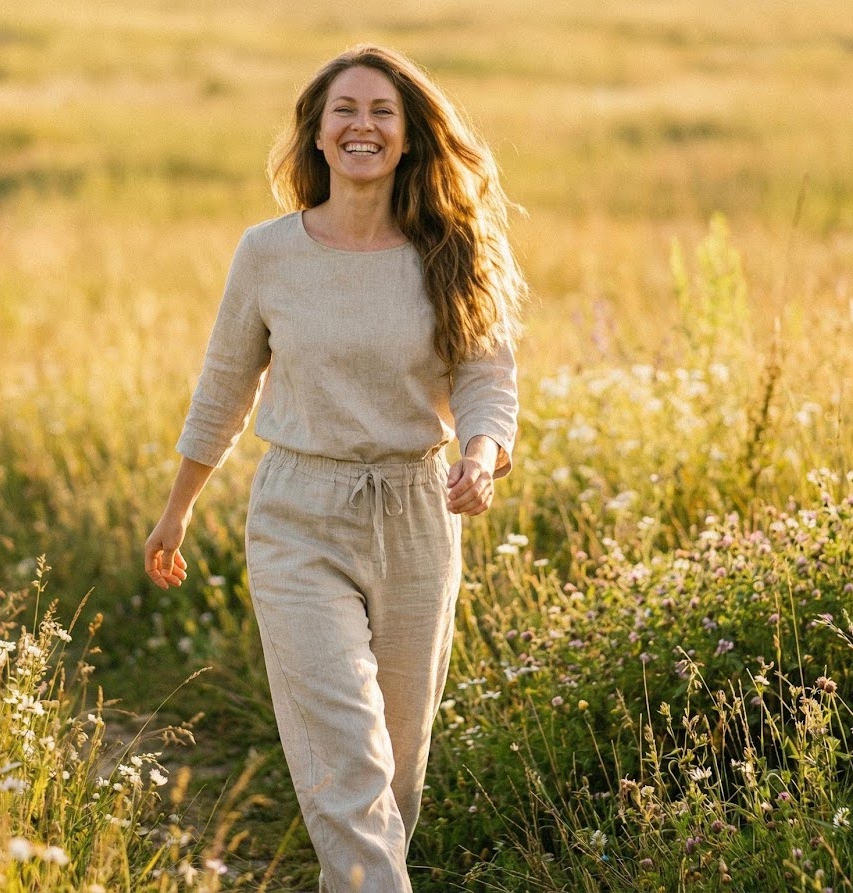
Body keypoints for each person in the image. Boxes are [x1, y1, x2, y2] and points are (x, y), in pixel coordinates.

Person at [143, 43, 524, 893]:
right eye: (344, 110)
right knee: (346, 763)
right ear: (316, 134)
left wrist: (481, 456)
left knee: (397, 774)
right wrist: (178, 509)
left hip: (418, 513)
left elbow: (488, 380)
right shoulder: (268, 253)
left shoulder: (453, 250)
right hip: (299, 514)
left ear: (408, 136)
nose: (363, 126)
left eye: (382, 111)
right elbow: (223, 389)